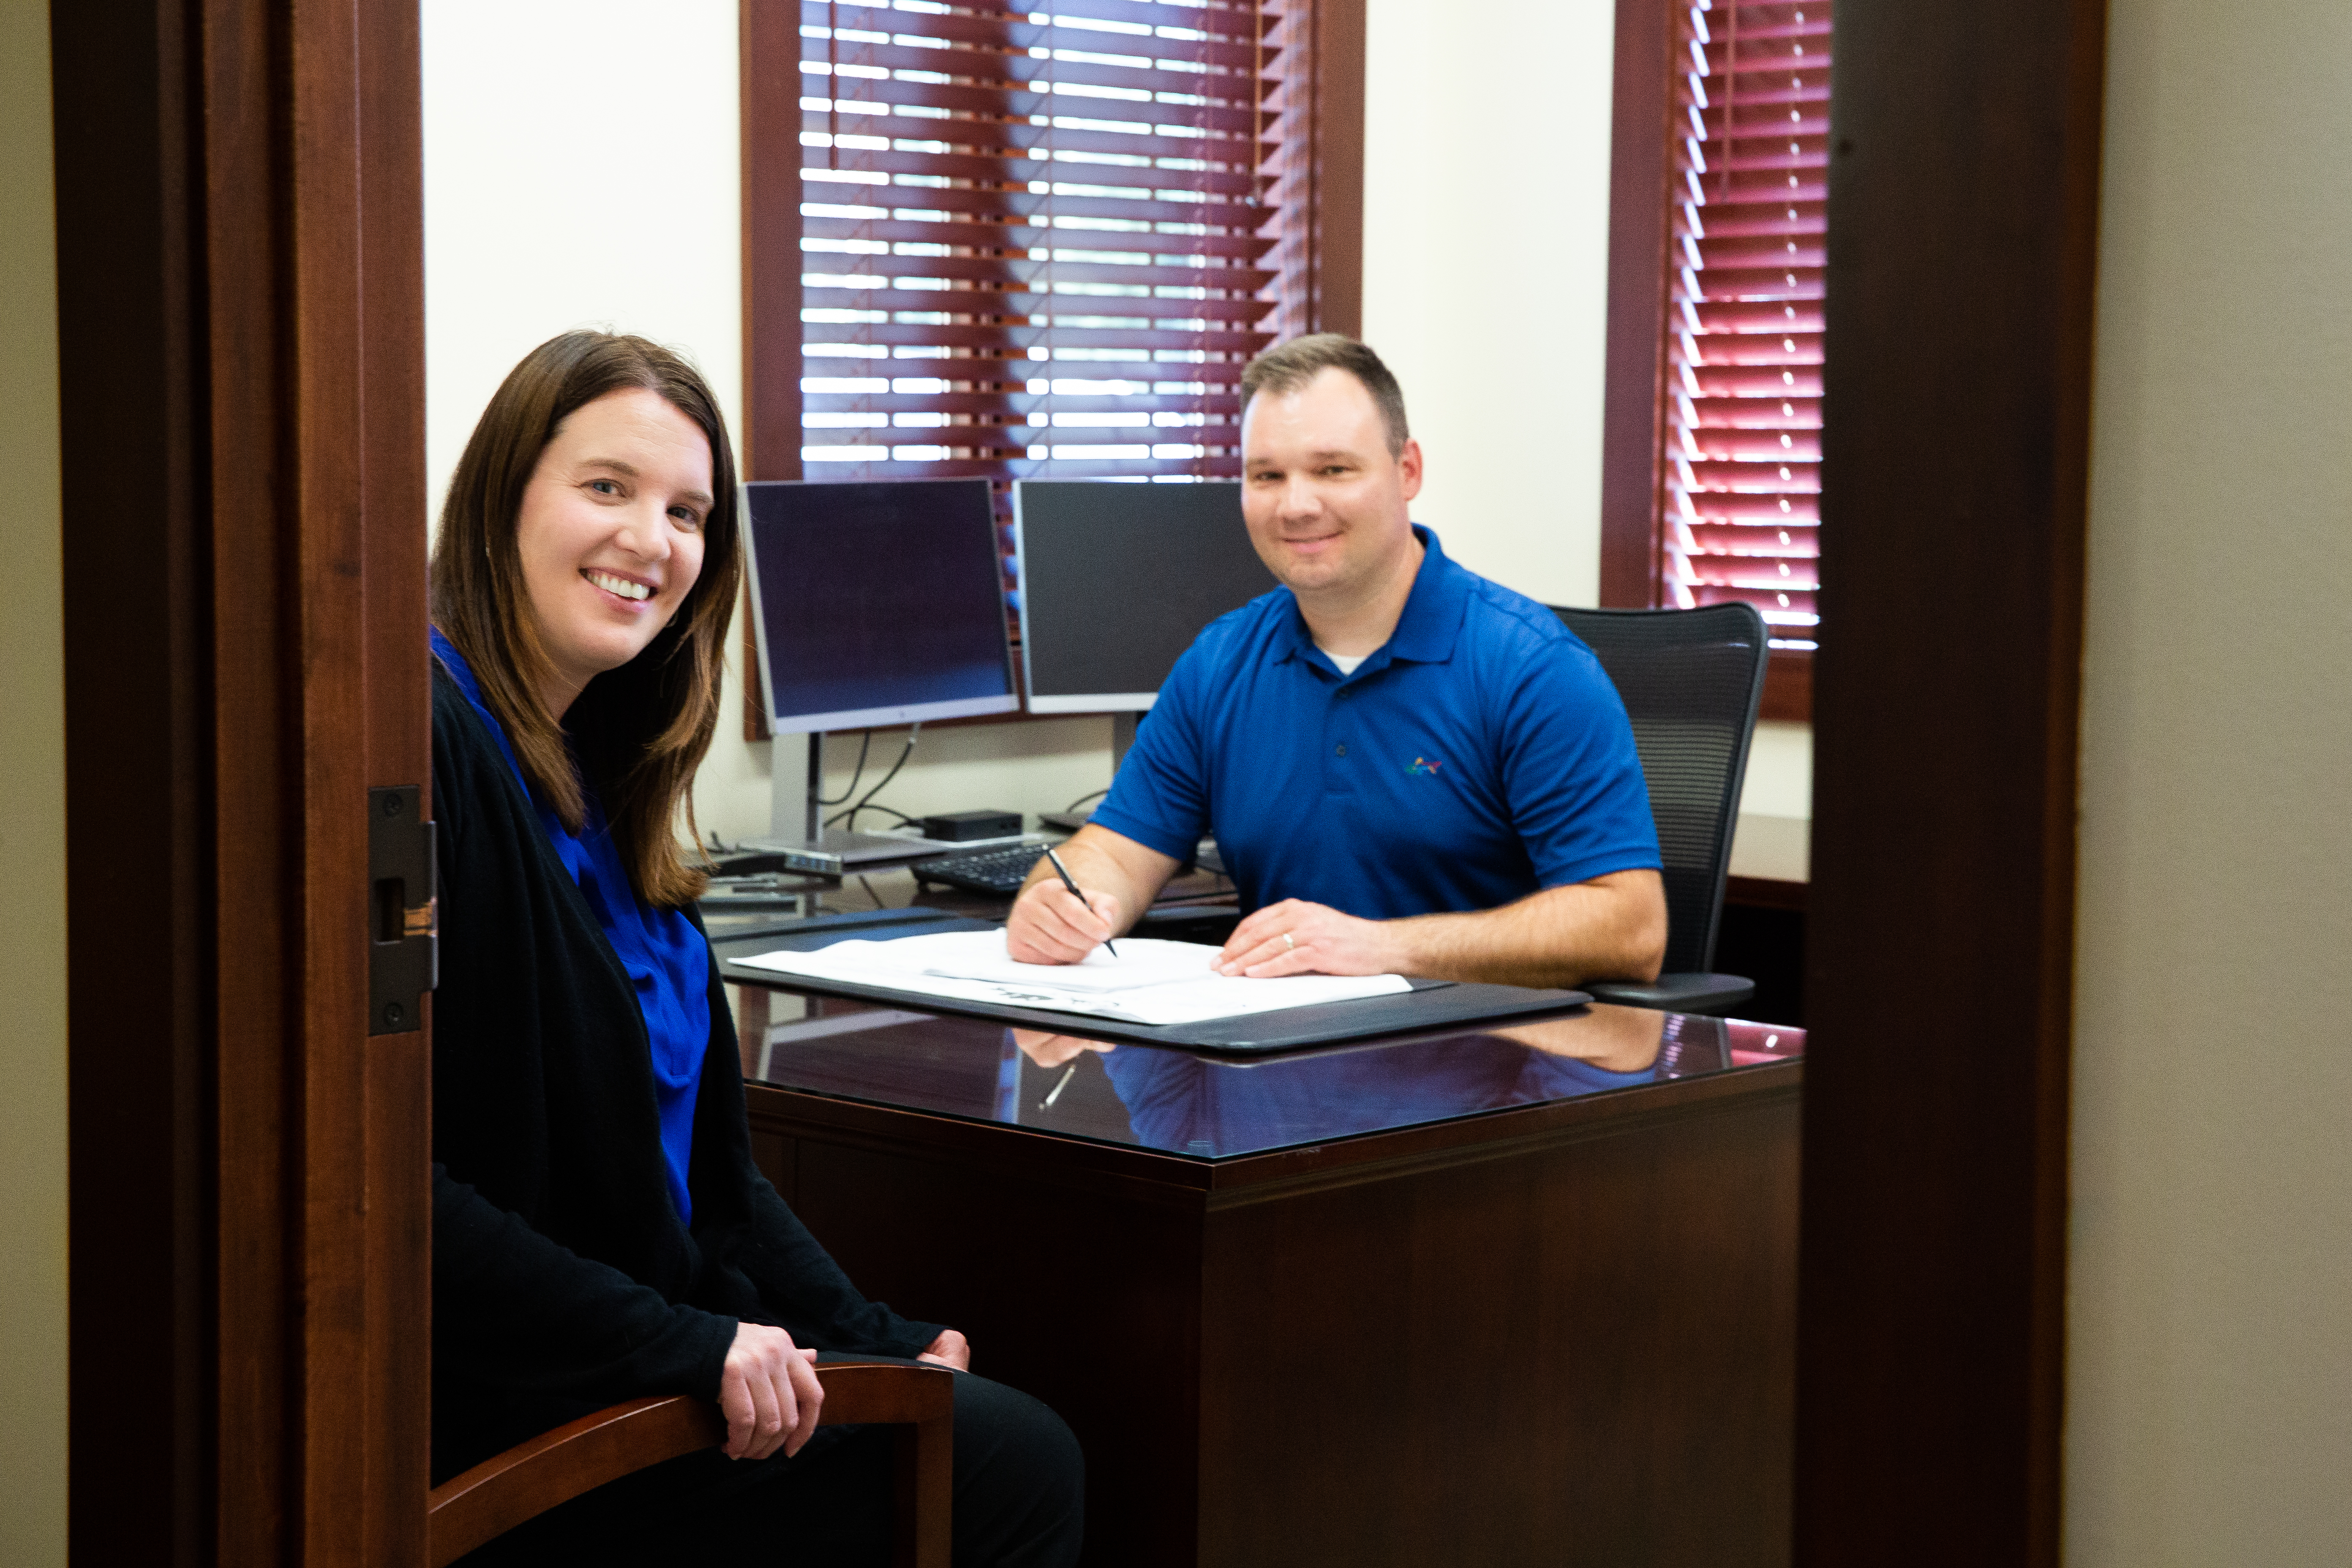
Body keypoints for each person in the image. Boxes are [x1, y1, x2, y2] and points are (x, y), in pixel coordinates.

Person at [427, 330, 1082, 1566]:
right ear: (504, 495)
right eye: (607, 488)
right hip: (541, 1403)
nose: (652, 541)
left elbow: (711, 1189)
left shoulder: (601, 780)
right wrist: (692, 1346)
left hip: (648, 1356)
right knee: (1020, 1465)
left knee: (981, 1415)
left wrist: (866, 1330)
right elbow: (402, 1190)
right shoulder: (430, 743)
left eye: (686, 512)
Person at [1006, 334, 1668, 989]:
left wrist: (1380, 946)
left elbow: (1630, 927)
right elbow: (1114, 855)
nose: (1296, 505)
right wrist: (1062, 903)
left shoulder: (1530, 668)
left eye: (1333, 470)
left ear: (1407, 470)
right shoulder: (1220, 663)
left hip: (1483, 1066)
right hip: (1277, 1061)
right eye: (1268, 476)